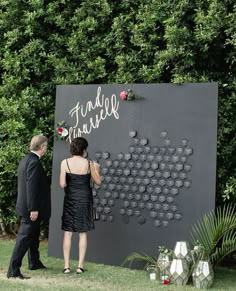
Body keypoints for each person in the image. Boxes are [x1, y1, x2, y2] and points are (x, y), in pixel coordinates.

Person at [7, 135, 51, 279]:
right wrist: (33, 209)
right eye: (45, 146)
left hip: (27, 206)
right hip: (30, 208)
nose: (46, 148)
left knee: (33, 235)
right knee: (24, 238)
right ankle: (13, 271)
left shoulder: (26, 159)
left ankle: (34, 262)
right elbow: (31, 187)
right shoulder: (34, 162)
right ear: (41, 147)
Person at [60, 137, 101, 274]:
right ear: (84, 149)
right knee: (83, 233)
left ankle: (66, 266)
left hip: (70, 199)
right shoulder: (90, 164)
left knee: (68, 232)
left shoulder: (64, 162)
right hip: (85, 199)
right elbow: (98, 182)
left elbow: (62, 184)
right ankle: (80, 266)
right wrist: (96, 169)